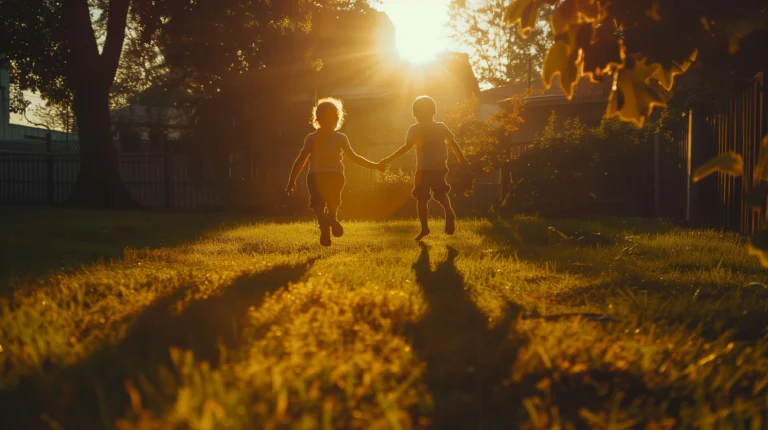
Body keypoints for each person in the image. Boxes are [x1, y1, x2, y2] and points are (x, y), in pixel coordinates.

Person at [286, 97, 384, 246]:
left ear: (317, 118)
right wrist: (376, 165)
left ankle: (324, 227)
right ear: (337, 118)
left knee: (317, 203)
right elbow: (355, 158)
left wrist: (291, 180)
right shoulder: (340, 138)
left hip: (315, 176)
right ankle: (332, 217)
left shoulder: (311, 138)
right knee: (333, 200)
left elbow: (301, 160)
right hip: (335, 175)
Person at [380, 95, 467, 241]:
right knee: (440, 194)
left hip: (422, 169)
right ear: (433, 111)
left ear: (414, 114)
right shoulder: (440, 126)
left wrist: (389, 159)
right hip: (439, 167)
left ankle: (425, 228)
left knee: (421, 198)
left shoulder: (414, 129)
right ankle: (449, 212)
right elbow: (453, 143)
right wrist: (461, 159)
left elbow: (406, 147)